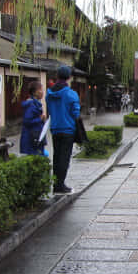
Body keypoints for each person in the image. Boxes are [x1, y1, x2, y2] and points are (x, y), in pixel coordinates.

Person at [46, 65, 80, 194]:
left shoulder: (49, 94)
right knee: (64, 158)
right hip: (68, 129)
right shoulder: (71, 94)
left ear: (57, 76)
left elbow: (49, 108)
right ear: (69, 77)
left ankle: (56, 183)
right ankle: (60, 185)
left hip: (55, 128)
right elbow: (76, 113)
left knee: (56, 156)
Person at [19, 81, 48, 157]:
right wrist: (40, 119)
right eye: (40, 90)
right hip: (33, 136)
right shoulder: (31, 105)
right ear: (34, 92)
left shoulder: (36, 104)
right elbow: (27, 121)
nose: (42, 92)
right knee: (36, 157)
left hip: (36, 135)